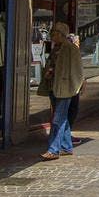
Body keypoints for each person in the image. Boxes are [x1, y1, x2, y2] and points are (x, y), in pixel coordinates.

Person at [41, 22, 84, 160]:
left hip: (65, 89)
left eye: (53, 32)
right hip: (54, 87)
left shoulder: (70, 48)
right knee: (62, 118)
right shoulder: (56, 48)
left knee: (57, 119)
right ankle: (66, 147)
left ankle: (53, 149)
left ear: (61, 34)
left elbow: (78, 71)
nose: (51, 35)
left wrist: (75, 87)